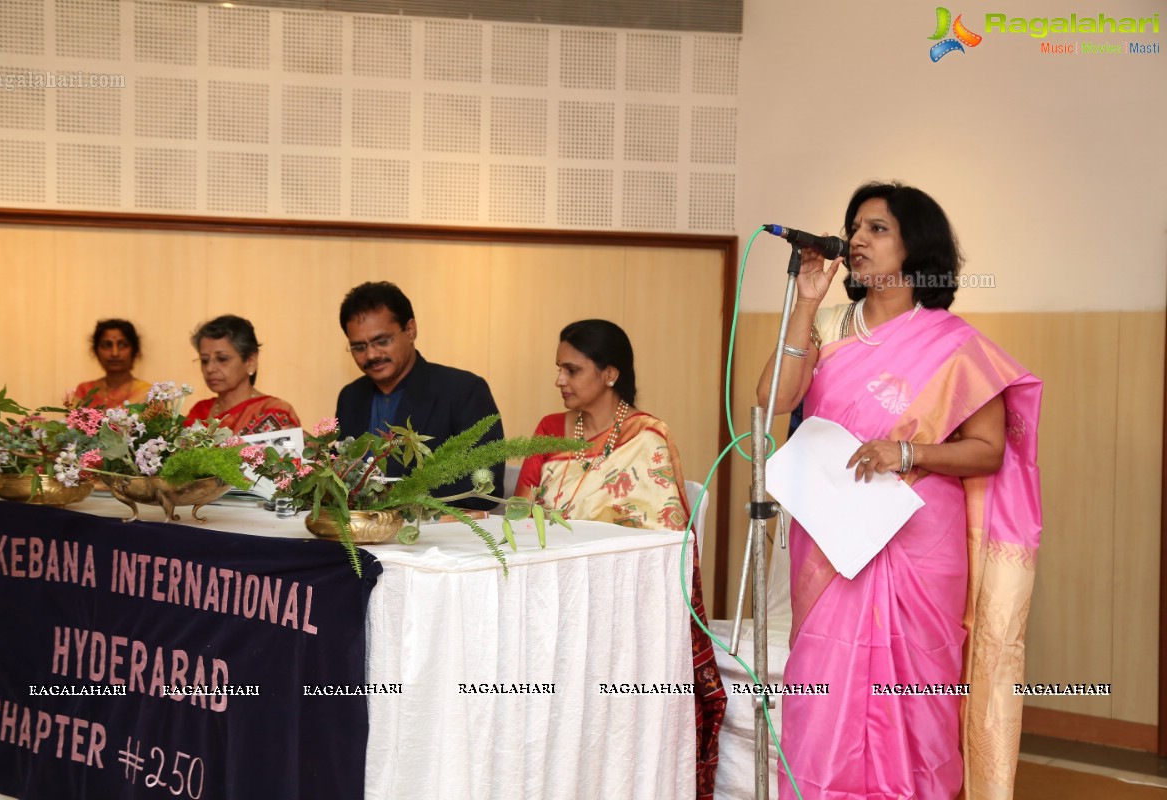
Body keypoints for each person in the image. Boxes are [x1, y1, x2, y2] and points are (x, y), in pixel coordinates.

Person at [755, 182, 1042, 799]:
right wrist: (806, 302)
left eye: (878, 228)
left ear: (918, 247)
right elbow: (772, 400)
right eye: (855, 227)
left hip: (916, 542)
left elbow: (988, 451)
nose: (858, 239)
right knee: (824, 687)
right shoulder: (830, 329)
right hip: (832, 544)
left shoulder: (954, 344)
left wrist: (906, 452)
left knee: (915, 696)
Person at [515, 319, 728, 800]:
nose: (559, 381)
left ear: (609, 374)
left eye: (571, 369)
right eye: (558, 369)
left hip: (619, 611)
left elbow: (667, 546)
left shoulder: (645, 438)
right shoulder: (549, 430)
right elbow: (520, 518)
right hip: (548, 599)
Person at [335, 281, 502, 511]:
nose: (372, 354)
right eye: (359, 347)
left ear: (410, 330)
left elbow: (485, 486)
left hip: (434, 538)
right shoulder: (350, 397)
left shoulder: (464, 391)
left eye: (382, 341)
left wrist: (393, 496)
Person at [183, 315, 300, 434]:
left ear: (250, 362)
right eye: (204, 360)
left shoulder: (273, 411)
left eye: (222, 359)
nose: (210, 368)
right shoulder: (199, 412)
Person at [71, 319, 151, 408]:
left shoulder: (147, 393)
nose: (115, 353)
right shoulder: (85, 391)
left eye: (122, 345)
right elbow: (72, 420)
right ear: (96, 351)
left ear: (134, 351)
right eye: (107, 345)